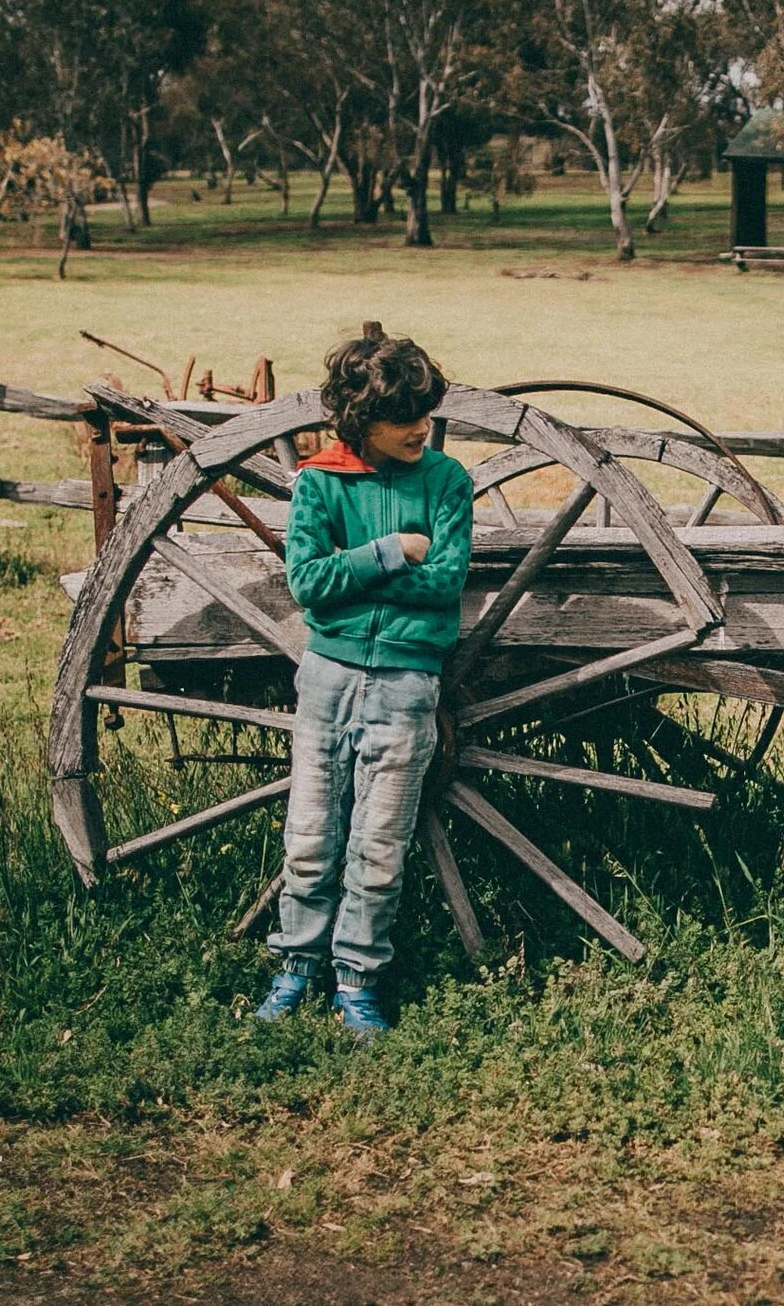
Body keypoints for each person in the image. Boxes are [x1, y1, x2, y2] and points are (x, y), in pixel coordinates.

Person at [254, 323, 475, 1040]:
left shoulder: (447, 483)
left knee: (380, 846)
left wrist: (362, 577)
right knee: (311, 836)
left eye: (425, 414)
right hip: (329, 679)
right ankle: (295, 967)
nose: (420, 428)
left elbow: (446, 582)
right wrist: (391, 550)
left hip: (408, 686)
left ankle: (357, 977)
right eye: (402, 417)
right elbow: (309, 585)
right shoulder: (320, 483)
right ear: (361, 421)